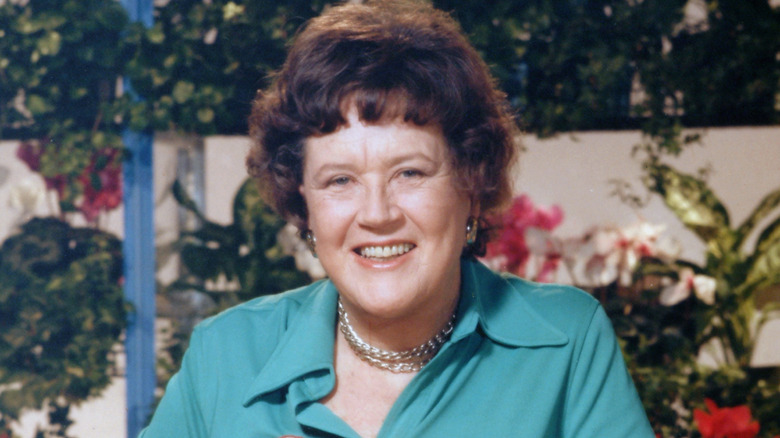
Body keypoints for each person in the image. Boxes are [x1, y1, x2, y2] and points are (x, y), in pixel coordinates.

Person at [140, 1, 655, 437]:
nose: (377, 214)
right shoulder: (223, 356)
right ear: (304, 202)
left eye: (410, 173)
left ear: (471, 184)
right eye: (340, 180)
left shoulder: (566, 341)